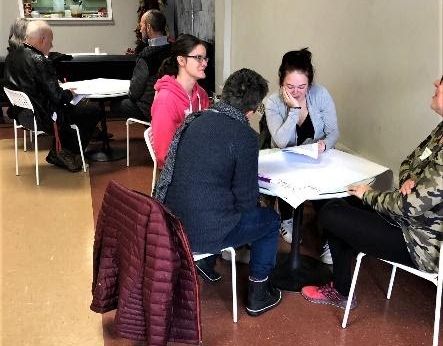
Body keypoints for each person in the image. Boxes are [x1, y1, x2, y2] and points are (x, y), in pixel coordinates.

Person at [301, 77, 443, 309]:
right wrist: (413, 179)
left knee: (331, 214)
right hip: (406, 220)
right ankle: (341, 288)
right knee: (339, 203)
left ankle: (341, 291)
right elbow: (408, 162)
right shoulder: (440, 130)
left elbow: (410, 205)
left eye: (442, 82)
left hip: (420, 243)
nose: (436, 83)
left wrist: (368, 194)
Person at [154, 68, 282, 317]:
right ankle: (258, 294)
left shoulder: (195, 119)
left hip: (169, 221)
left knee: (208, 200)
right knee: (270, 221)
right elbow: (246, 201)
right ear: (251, 110)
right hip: (201, 233)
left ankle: (206, 262)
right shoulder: (245, 137)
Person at [265, 48, 339, 248]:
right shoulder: (273, 102)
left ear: (310, 83)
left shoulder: (320, 94)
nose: (296, 92)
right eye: (290, 86)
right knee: (287, 179)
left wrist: (324, 145)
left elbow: (333, 132)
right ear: (281, 81)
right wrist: (294, 110)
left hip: (316, 158)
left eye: (302, 86)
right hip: (285, 160)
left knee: (324, 193)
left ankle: (331, 235)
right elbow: (281, 142)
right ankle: (286, 219)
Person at [3, 20, 101, 172]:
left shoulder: (12, 56)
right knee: (92, 109)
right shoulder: (40, 60)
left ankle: (61, 150)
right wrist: (69, 92)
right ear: (42, 40)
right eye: (50, 41)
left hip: (22, 114)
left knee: (79, 110)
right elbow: (58, 98)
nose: (52, 45)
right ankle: (67, 152)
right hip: (41, 117)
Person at [150, 34, 210, 168]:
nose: (205, 63)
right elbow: (164, 155)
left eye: (205, 58)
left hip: (200, 158)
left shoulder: (201, 94)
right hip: (177, 169)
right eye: (198, 58)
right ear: (181, 60)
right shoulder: (166, 100)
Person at [110, 10, 171, 122]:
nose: (140, 29)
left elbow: (134, 93)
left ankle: (152, 127)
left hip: (150, 108)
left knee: (115, 105)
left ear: (148, 27)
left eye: (141, 25)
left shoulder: (146, 56)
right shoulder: (174, 50)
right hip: (171, 106)